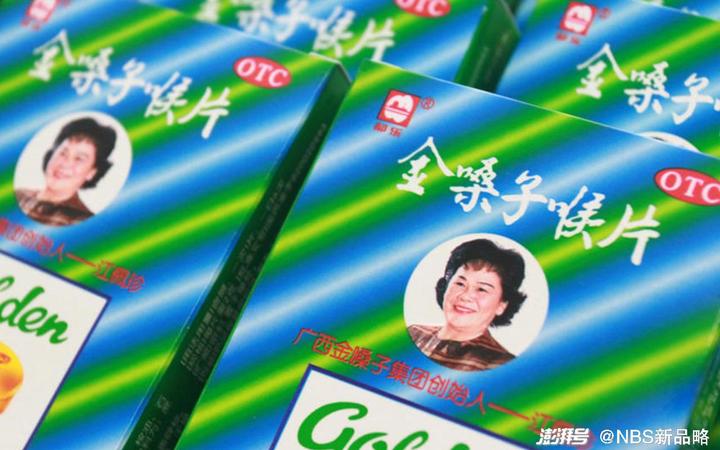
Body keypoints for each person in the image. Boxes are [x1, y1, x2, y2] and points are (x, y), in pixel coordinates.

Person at [408, 239, 528, 371]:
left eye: (481, 289)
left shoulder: (500, 364)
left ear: (502, 305)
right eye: (460, 284)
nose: (465, 296)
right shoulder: (414, 333)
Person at [16, 117, 116, 226]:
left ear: (92, 172)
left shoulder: (83, 222)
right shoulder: (19, 194)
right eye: (63, 153)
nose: (65, 164)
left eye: (79, 159)